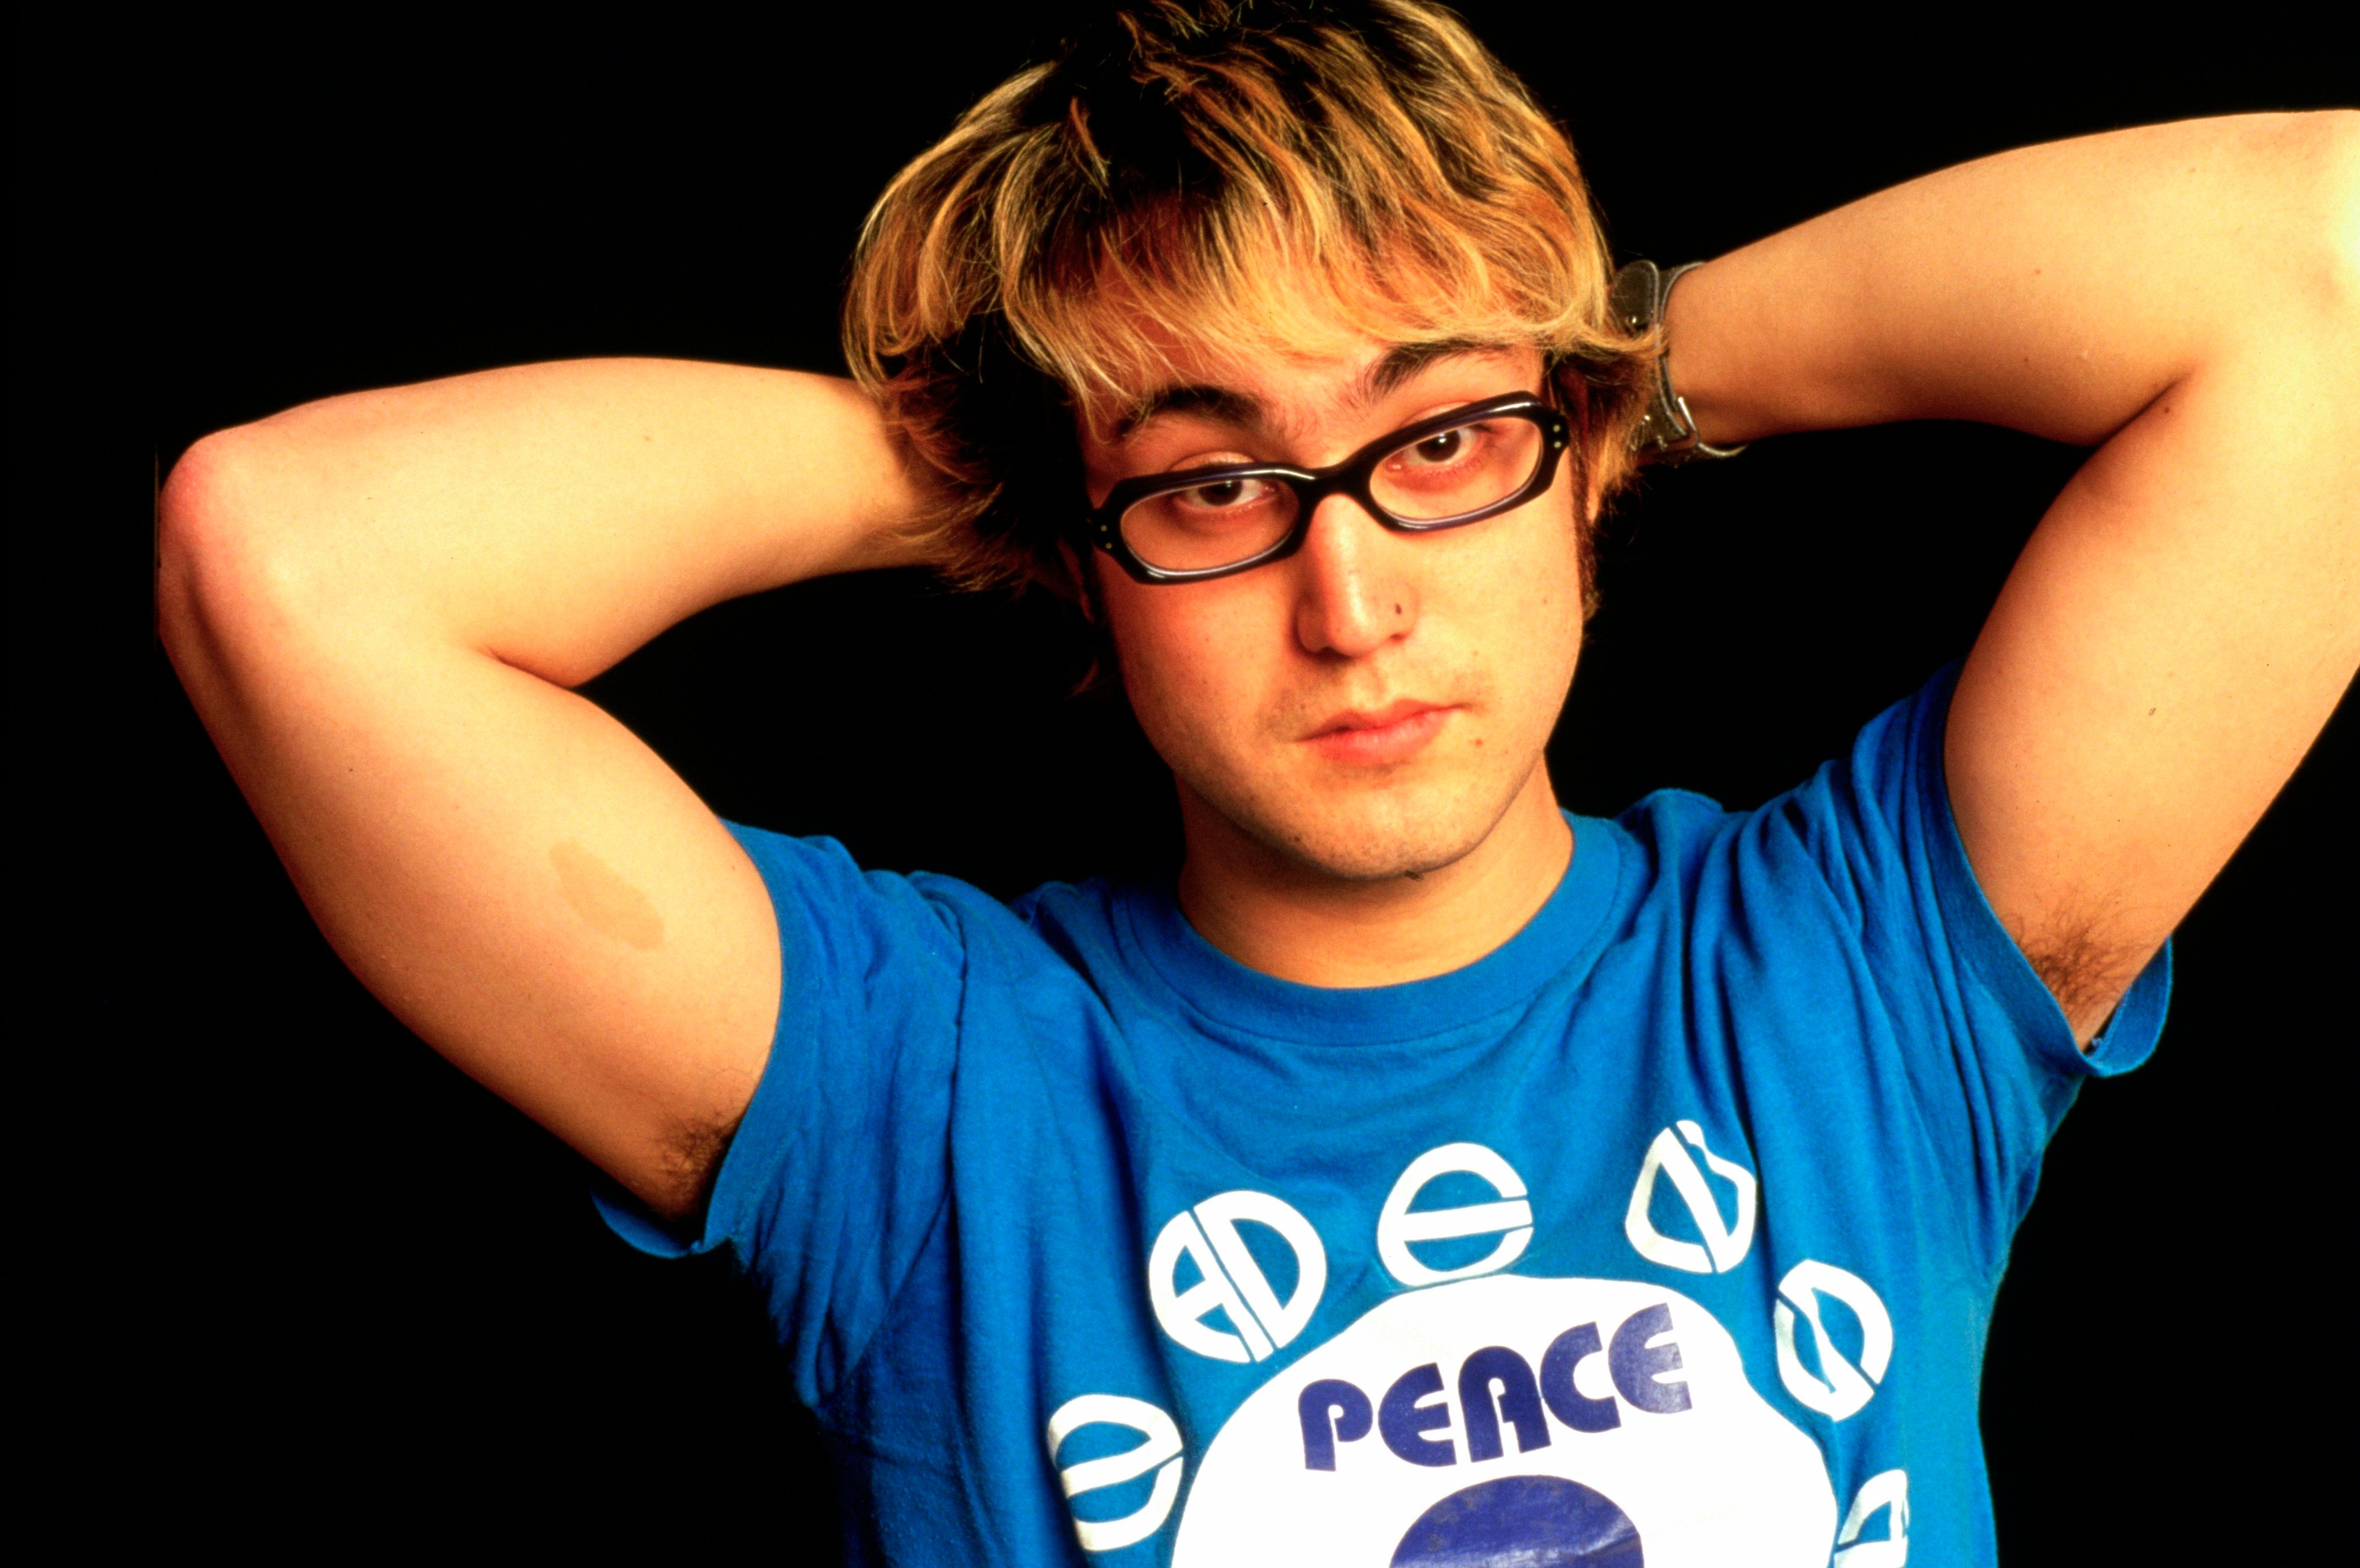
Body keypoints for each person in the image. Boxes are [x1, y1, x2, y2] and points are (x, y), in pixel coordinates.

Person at [156, 2, 2356, 1562]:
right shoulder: (922, 1096)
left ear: (1582, 484)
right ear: (1074, 580)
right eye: (1215, 496)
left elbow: (2320, 259)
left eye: (1438, 450)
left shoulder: (1858, 970)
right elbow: (290, 560)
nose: (1352, 595)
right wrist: (1033, 461)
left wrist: (1613, 369)